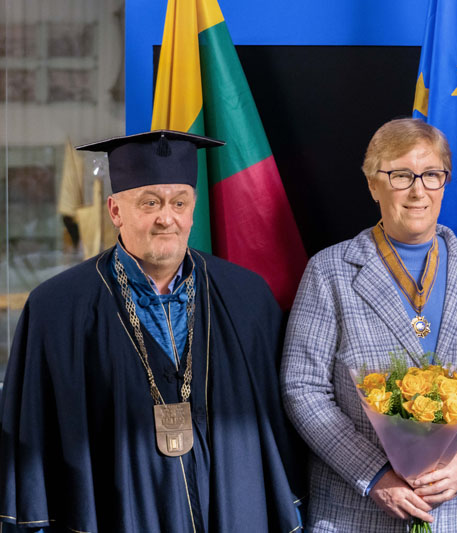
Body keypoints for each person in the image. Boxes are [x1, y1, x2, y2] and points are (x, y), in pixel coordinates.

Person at [0, 130, 303, 532]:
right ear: (114, 210)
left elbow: (279, 430)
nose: (167, 217)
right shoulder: (57, 309)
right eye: (150, 202)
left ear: (193, 209)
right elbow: (34, 440)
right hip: (119, 511)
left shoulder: (247, 298)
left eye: (179, 202)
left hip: (231, 509)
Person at [281, 118, 457, 532]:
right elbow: (303, 389)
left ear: (445, 182)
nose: (418, 190)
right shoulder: (329, 271)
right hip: (357, 512)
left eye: (431, 175)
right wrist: (376, 475)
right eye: (401, 175)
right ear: (372, 184)